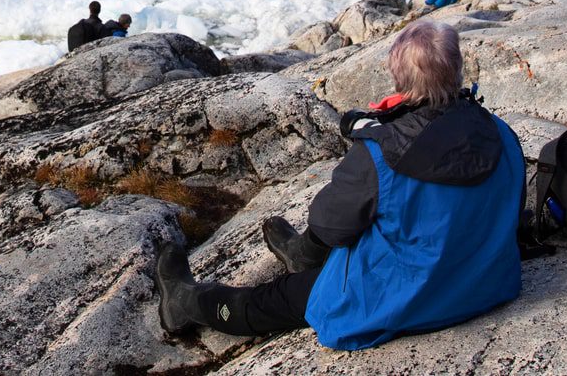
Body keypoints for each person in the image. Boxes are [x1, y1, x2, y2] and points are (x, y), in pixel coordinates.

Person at [153, 20, 522, 350]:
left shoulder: (380, 154)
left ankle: (183, 302)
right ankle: (301, 255)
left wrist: (378, 136)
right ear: (456, 70)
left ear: (398, 82)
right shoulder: (501, 134)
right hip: (482, 285)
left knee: (271, 300)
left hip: (399, 300)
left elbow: (332, 224)